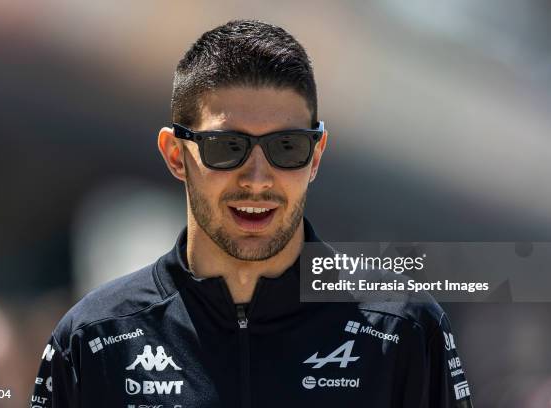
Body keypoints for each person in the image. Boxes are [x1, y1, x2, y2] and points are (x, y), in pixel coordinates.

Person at [29, 19, 474, 408]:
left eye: (287, 147)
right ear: (175, 155)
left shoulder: (404, 330)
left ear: (315, 155)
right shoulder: (94, 338)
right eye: (228, 147)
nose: (258, 179)